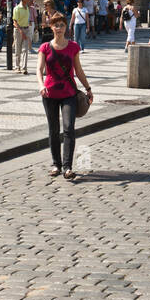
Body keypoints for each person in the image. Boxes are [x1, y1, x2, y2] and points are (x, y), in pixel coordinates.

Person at [37, 12, 93, 181]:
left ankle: (68, 167)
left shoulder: (73, 47)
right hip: (50, 93)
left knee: (68, 128)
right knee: (53, 130)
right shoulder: (45, 47)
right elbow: (39, 70)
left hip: (69, 93)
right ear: (51, 27)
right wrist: (41, 85)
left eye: (62, 25)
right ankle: (56, 164)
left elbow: (78, 70)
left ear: (65, 27)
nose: (59, 28)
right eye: (56, 25)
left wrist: (88, 88)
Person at [12, 0, 32, 73]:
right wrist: (21, 31)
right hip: (18, 30)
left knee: (25, 49)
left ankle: (24, 68)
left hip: (26, 29)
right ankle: (17, 67)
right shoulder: (17, 8)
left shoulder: (27, 8)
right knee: (18, 49)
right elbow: (14, 22)